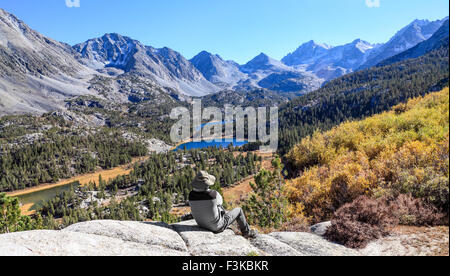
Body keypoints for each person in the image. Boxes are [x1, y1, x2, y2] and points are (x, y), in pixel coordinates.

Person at [188, 171, 257, 238]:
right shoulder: (213, 195)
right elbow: (220, 203)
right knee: (238, 210)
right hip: (217, 227)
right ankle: (246, 232)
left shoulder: (190, 195)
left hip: (201, 225)